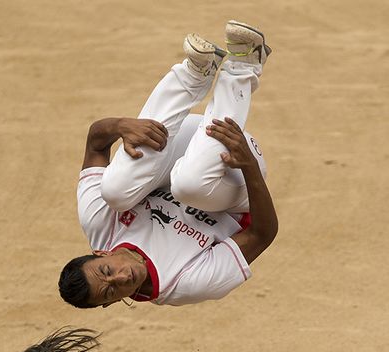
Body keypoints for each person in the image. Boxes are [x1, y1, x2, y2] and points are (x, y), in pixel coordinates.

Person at [59, 20, 278, 308]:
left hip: (184, 141)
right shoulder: (183, 283)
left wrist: (122, 126)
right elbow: (262, 234)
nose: (121, 278)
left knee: (114, 190)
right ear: (110, 303)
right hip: (235, 173)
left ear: (101, 254)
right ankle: (244, 64)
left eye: (107, 272)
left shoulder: (99, 225)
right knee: (190, 185)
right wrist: (248, 164)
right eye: (110, 292)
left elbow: (96, 143)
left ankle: (194, 72)